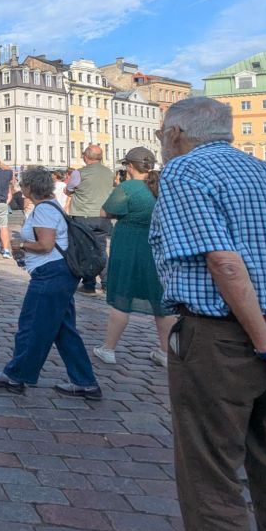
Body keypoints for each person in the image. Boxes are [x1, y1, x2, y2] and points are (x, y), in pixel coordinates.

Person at [150, 97, 266, 531]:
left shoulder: (185, 170)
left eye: (162, 133)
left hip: (222, 338)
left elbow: (224, 263)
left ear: (176, 134)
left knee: (210, 473)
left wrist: (265, 345)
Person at [0, 166, 102, 399]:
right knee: (64, 330)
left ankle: (16, 376)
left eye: (23, 184)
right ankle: (85, 382)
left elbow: (46, 245)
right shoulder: (51, 206)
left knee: (32, 326)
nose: (21, 188)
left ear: (30, 187)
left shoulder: (44, 210)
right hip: (59, 274)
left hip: (51, 274)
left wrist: (21, 245)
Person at [92, 147, 174, 368]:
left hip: (129, 245)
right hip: (157, 246)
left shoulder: (128, 188)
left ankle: (109, 348)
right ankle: (166, 352)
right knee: (160, 300)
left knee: (123, 295)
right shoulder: (162, 185)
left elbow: (105, 212)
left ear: (129, 166)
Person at [65, 145, 114, 293]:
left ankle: (89, 284)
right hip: (103, 216)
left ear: (86, 157)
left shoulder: (79, 173)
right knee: (101, 250)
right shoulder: (109, 172)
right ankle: (107, 283)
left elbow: (69, 190)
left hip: (83, 216)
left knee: (84, 250)